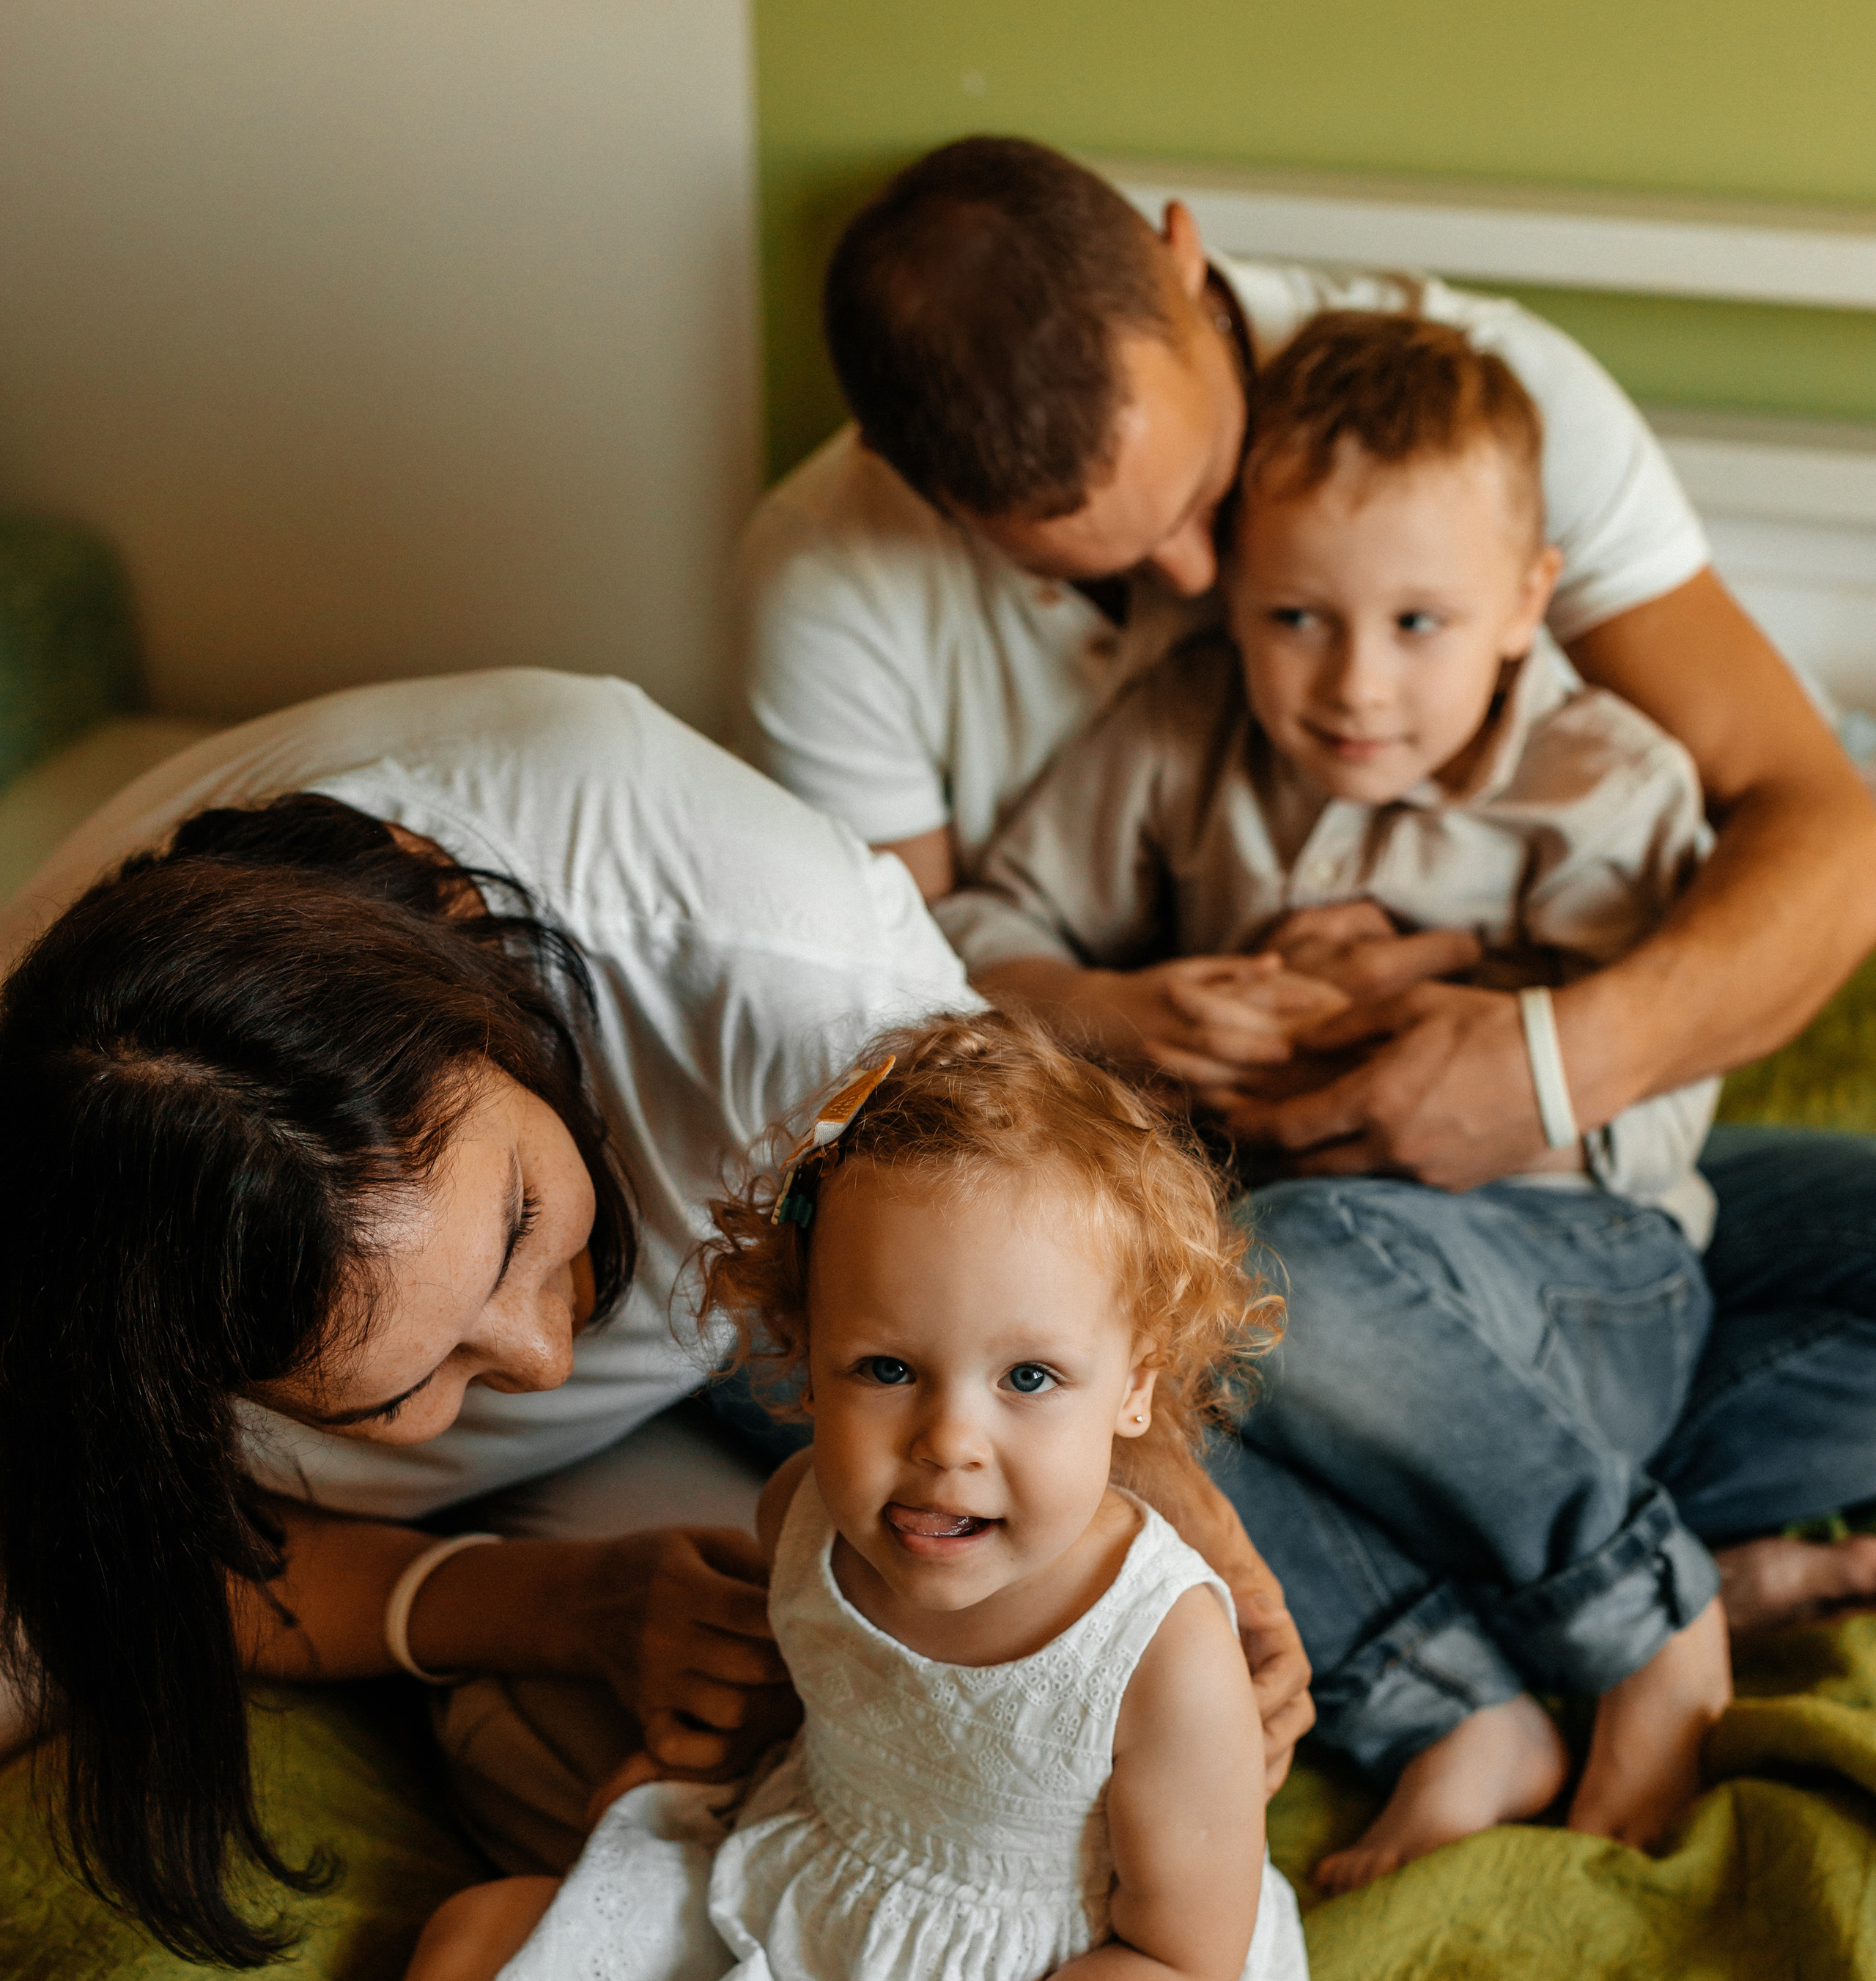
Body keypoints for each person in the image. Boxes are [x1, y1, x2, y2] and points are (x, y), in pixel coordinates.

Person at [72, 1013, 1334, 1981]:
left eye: (1029, 1381)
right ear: (799, 1357)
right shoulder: (804, 1508)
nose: (946, 1442)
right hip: (814, 1901)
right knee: (492, 1935)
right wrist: (650, 1828)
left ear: (1138, 1385)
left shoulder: (1156, 1645)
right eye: (885, 1368)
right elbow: (818, 1709)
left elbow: (1177, 1970)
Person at [734, 133, 1876, 1652]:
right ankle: (1598, 1579)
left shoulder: (1485, 415)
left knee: (1287, 1321)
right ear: (918, 492)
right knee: (901, 1363)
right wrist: (1119, 1020)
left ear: (1182, 260)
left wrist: (1522, 1061)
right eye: (1120, 565)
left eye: (1207, 495)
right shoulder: (842, 590)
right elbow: (912, 1039)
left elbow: (1822, 834)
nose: (1199, 588)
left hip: (1569, 1227)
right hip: (1235, 1215)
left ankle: (1489, 1512)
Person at [0, 668, 1312, 1968]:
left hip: (845, 1256)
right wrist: (545, 1602)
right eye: (402, 1391)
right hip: (600, 1452)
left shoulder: (768, 946)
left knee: (1247, 1415)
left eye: (518, 1222)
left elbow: (1044, 1253)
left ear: (484, 988)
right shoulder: (68, 1291)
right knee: (691, 1771)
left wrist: (1199, 1542)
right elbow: (140, 1582)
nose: (547, 1353)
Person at [941, 312, 1734, 1884]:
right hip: (1270, 1325)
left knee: (1277, 1258)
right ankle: (1455, 1712)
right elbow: (973, 936)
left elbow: (1656, 1118)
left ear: (1526, 604)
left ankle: (1650, 1610)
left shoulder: (1608, 787)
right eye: (1294, 616)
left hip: (1573, 1289)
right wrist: (1126, 1012)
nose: (1354, 683)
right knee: (1103, 1390)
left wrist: (1466, 1015)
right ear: (1229, 587)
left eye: (1419, 623)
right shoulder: (1181, 740)